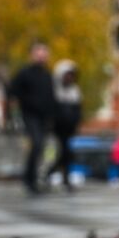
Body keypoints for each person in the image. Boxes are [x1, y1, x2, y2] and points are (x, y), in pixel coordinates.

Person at [6, 43, 56, 194]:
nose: (41, 56)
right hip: (30, 115)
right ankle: (29, 179)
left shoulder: (48, 75)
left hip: (43, 117)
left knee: (40, 147)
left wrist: (52, 116)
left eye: (44, 53)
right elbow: (12, 91)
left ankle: (32, 177)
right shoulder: (25, 73)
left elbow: (51, 98)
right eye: (38, 53)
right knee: (36, 143)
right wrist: (14, 111)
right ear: (32, 55)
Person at [46, 60, 82, 190]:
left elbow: (77, 111)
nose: (69, 78)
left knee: (66, 153)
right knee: (56, 153)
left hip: (68, 129)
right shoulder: (55, 91)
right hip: (56, 129)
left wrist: (75, 124)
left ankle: (61, 175)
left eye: (71, 75)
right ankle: (51, 173)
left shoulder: (75, 92)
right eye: (67, 75)